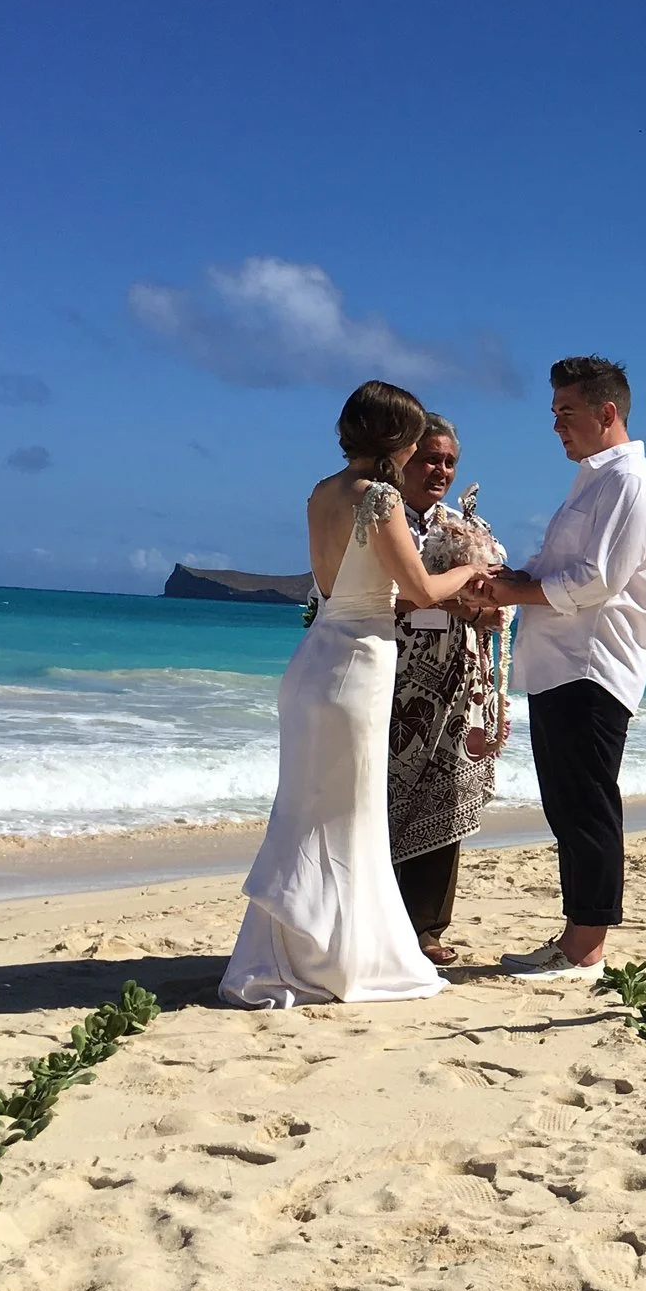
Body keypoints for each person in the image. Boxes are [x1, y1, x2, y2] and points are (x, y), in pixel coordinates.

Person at [220, 382, 493, 1008]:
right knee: (348, 817)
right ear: (397, 439)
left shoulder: (322, 492)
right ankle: (338, 955)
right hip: (359, 663)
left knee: (305, 811)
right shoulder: (381, 498)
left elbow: (330, 580)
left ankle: (297, 946)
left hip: (314, 660)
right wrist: (473, 573)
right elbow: (421, 589)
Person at [484, 356, 646, 980]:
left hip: (593, 664)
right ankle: (576, 936)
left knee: (586, 805)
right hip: (559, 664)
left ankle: (587, 945)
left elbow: (598, 580)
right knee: (568, 805)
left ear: (606, 412)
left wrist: (515, 594)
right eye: (555, 413)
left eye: (567, 412)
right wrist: (507, 578)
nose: (557, 425)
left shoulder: (630, 482)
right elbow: (559, 562)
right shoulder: (592, 480)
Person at [388, 414, 503, 966]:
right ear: (404, 458)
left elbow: (491, 605)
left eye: (449, 461)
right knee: (380, 799)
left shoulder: (466, 528)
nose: (440, 470)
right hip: (389, 678)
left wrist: (488, 611)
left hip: (455, 685)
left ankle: (427, 928)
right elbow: (367, 595)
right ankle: (379, 921)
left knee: (445, 795)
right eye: (430, 458)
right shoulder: (380, 518)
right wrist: (452, 598)